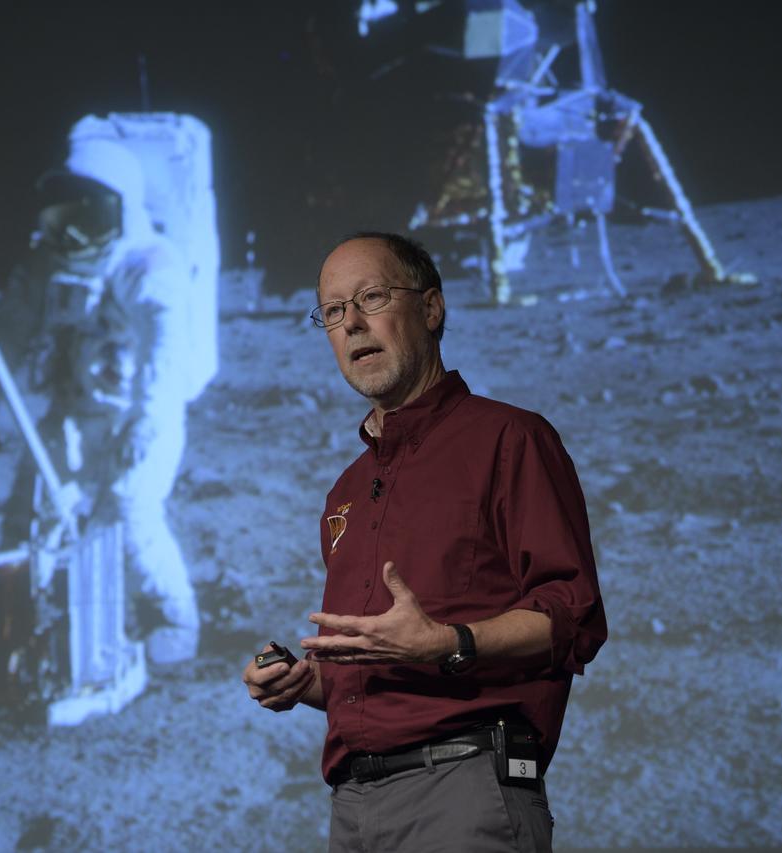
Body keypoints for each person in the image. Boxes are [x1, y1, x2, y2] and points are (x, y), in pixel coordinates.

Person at [242, 232, 606, 851]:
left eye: (372, 297)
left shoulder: (509, 438)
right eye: (332, 311)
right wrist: (307, 685)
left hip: (463, 789)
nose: (352, 324)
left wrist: (448, 642)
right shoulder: (347, 491)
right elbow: (386, 665)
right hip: (354, 806)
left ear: (432, 309)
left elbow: (574, 616)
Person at [0, 136, 200, 664]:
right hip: (72, 411)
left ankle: (172, 616)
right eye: (60, 217)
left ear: (118, 211)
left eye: (85, 217)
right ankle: (16, 613)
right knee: (28, 503)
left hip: (138, 414)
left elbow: (165, 354)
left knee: (130, 506)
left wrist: (145, 423)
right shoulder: (43, 267)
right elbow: (8, 334)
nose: (70, 232)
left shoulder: (150, 265)